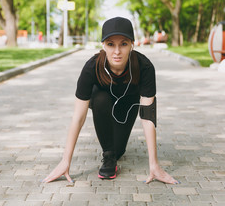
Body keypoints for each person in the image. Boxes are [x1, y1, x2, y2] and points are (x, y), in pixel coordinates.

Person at [43, 17, 179, 184]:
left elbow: (148, 117)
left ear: (132, 45)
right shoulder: (91, 67)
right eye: (110, 44)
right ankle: (108, 157)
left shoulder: (144, 67)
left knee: (119, 151)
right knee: (100, 100)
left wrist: (154, 165)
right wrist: (65, 161)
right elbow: (78, 118)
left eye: (123, 44)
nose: (117, 51)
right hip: (102, 106)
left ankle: (115, 151)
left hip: (128, 107)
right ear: (103, 45)